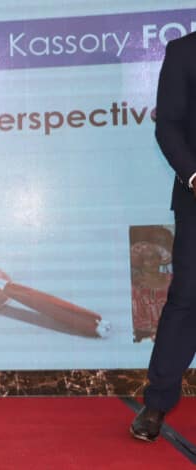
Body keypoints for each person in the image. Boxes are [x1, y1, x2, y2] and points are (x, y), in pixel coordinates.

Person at [131, 32, 196, 442]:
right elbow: (168, 125)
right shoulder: (184, 52)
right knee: (187, 299)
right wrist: (194, 176)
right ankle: (156, 402)